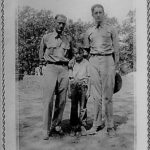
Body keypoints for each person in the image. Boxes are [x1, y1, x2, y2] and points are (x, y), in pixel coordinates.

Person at [83, 4, 119, 136]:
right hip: (93, 61)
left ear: (104, 13)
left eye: (100, 12)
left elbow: (116, 49)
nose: (98, 15)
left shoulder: (111, 29)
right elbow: (86, 51)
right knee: (96, 96)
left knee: (108, 96)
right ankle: (96, 124)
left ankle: (110, 126)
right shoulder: (88, 31)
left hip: (108, 60)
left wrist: (115, 66)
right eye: (96, 13)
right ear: (92, 15)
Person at [39, 14, 72, 140]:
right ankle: (45, 129)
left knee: (62, 100)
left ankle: (56, 125)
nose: (61, 25)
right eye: (59, 23)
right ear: (55, 23)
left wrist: (70, 64)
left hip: (64, 69)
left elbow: (72, 54)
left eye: (63, 23)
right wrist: (43, 65)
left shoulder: (68, 39)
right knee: (48, 100)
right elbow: (41, 53)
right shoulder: (46, 37)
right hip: (51, 68)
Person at [68, 43, 91, 136]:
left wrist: (88, 91)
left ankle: (82, 125)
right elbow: (70, 77)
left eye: (78, 53)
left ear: (82, 53)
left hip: (83, 86)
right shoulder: (72, 62)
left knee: (83, 107)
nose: (77, 55)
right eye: (75, 54)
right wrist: (69, 90)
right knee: (73, 107)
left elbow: (89, 77)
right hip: (74, 86)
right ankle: (73, 126)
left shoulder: (87, 63)